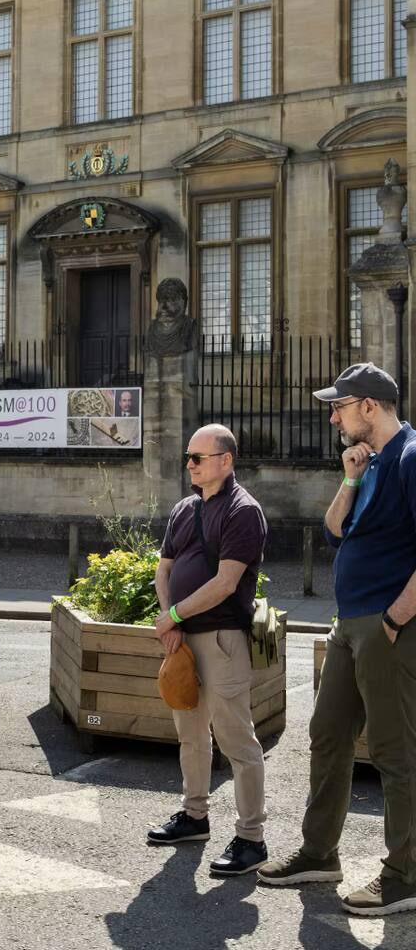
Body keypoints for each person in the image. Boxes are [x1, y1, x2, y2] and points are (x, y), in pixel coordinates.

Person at [259, 362, 416, 917]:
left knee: (397, 752)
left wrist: (395, 618)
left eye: (340, 406)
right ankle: (319, 853)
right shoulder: (368, 463)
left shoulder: (412, 458)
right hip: (350, 622)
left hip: (387, 626)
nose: (333, 416)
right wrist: (349, 477)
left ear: (369, 407)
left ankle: (405, 875)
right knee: (327, 735)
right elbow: (332, 528)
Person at [146, 424, 269, 876]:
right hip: (182, 641)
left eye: (198, 457)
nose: (190, 465)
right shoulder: (184, 509)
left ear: (226, 460)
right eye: (188, 456)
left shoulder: (243, 511)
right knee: (191, 734)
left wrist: (174, 617)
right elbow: (165, 570)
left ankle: (252, 839)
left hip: (221, 638)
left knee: (237, 740)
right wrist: (170, 623)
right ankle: (195, 816)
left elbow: (225, 583)